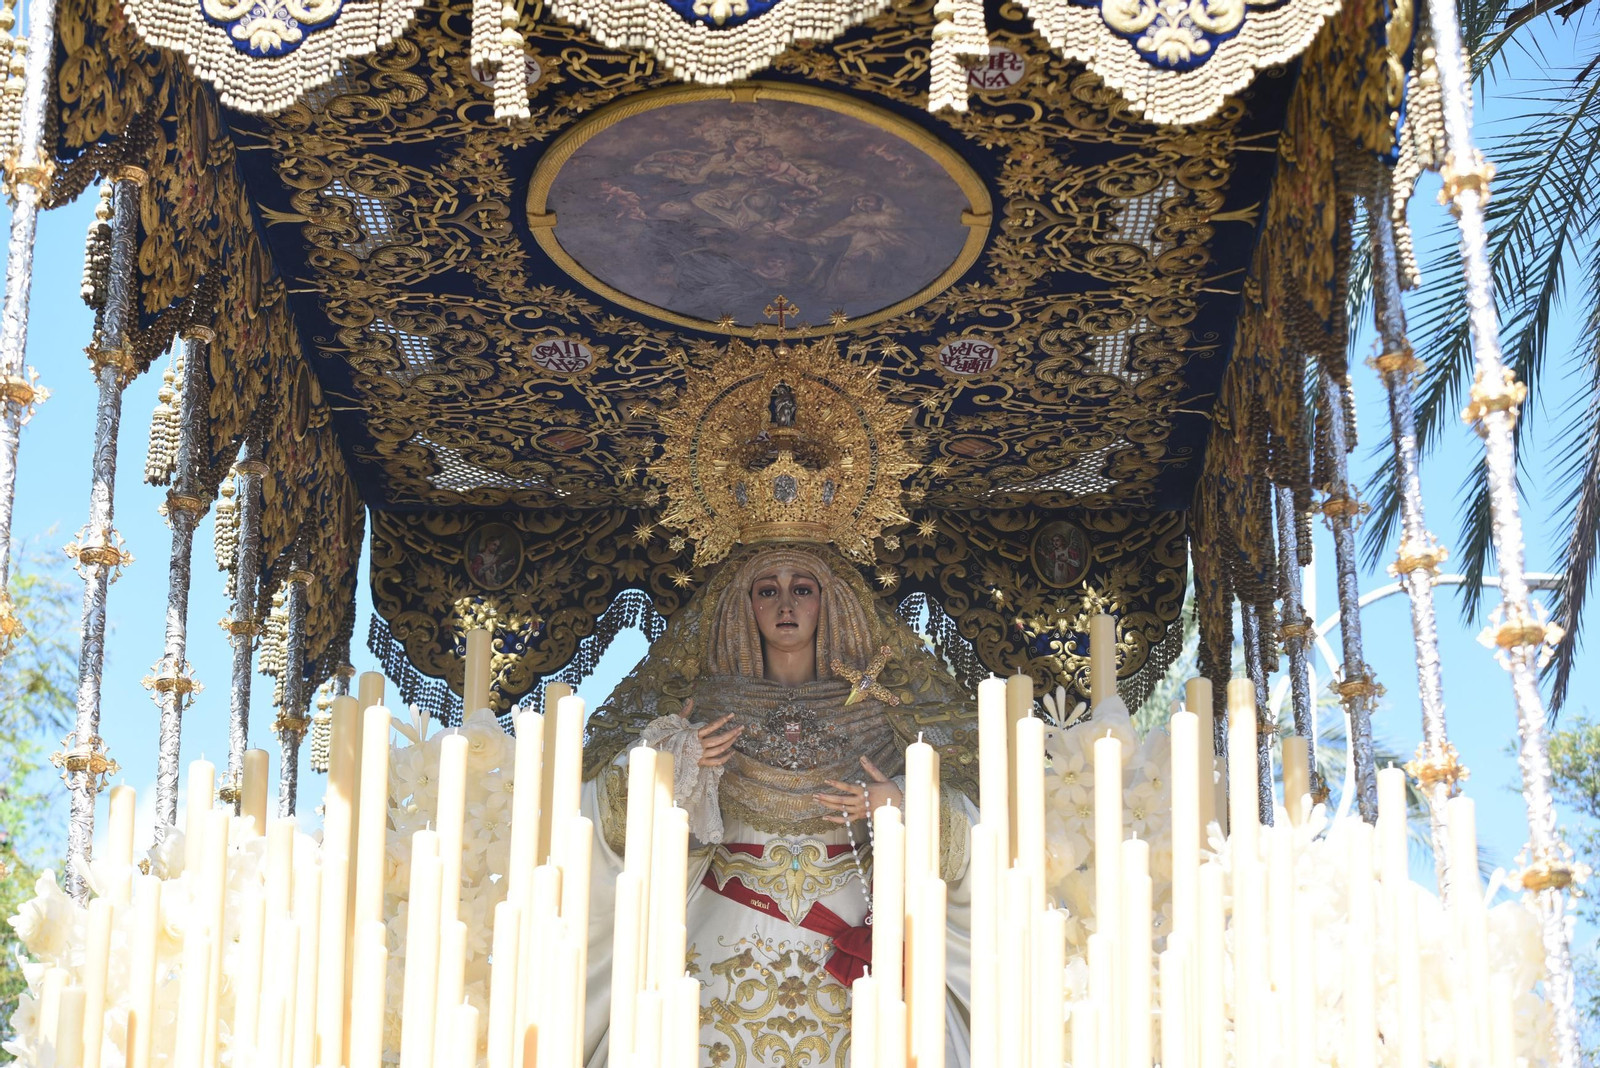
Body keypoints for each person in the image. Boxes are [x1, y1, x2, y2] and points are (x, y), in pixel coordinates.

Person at [577, 542, 981, 1066]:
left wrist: (901, 801)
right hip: (722, 929)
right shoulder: (703, 710)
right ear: (743, 605)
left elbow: (973, 819)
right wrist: (672, 764)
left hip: (854, 936)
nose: (785, 605)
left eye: (802, 589)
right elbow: (604, 815)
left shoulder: (883, 715)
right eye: (768, 591)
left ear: (830, 603)